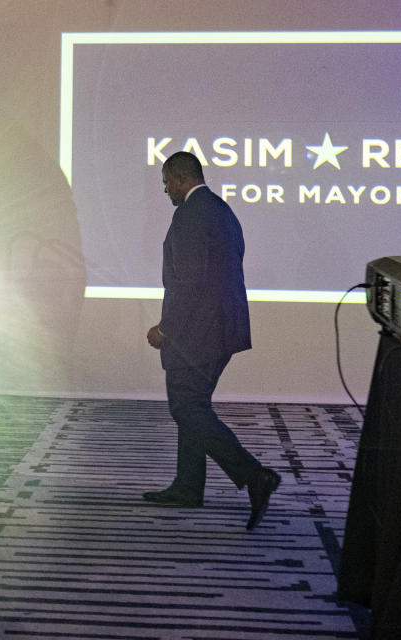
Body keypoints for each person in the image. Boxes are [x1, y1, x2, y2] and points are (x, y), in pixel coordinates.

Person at [144, 151, 280, 531]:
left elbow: (190, 282)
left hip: (197, 332)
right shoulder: (219, 209)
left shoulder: (191, 214)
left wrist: (166, 328)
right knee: (193, 405)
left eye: (167, 181)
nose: (165, 189)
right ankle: (188, 486)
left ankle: (255, 476)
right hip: (219, 327)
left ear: (182, 177)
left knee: (187, 408)